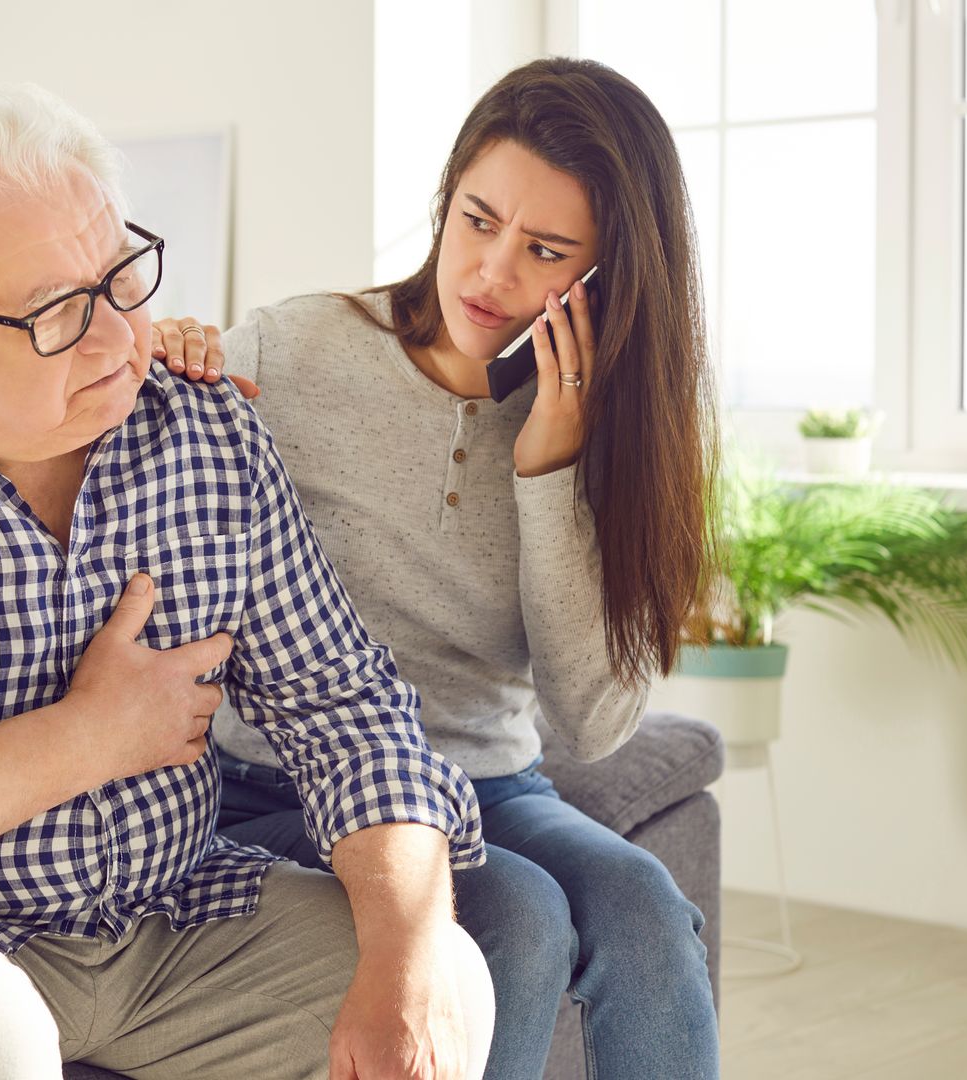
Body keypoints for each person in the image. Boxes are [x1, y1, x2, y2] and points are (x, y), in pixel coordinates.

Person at [0, 84, 496, 1080]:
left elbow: (344, 707)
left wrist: (404, 957)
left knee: (446, 980)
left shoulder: (207, 431)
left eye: (123, 277)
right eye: (54, 313)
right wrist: (86, 739)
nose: (120, 339)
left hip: (171, 912)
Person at [154, 57, 720, 1080]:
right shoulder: (297, 349)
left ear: (606, 279)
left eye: (545, 250)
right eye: (475, 219)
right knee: (520, 912)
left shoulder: (610, 433)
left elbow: (591, 723)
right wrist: (162, 357)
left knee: (643, 910)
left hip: (492, 783)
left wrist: (549, 463)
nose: (490, 274)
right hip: (284, 781)